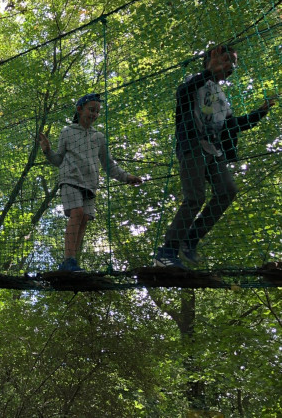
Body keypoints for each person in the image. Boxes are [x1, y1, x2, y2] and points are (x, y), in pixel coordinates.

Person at [155, 45, 276, 268]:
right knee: (195, 198)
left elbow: (233, 125)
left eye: (234, 62)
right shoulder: (196, 81)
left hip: (214, 150)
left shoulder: (221, 96)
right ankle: (167, 251)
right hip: (192, 145)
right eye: (228, 59)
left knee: (228, 190)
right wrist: (210, 71)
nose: (232, 66)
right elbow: (182, 95)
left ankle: (191, 239)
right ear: (213, 58)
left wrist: (262, 111)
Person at [39, 93, 143, 272]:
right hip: (70, 179)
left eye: (97, 112)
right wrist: (47, 151)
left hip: (90, 183)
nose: (94, 114)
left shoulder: (99, 137)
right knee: (77, 213)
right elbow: (59, 160)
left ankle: (73, 262)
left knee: (85, 218)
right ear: (79, 110)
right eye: (91, 110)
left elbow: (108, 164)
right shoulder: (67, 132)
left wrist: (126, 177)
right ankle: (68, 260)